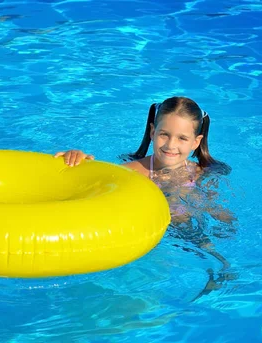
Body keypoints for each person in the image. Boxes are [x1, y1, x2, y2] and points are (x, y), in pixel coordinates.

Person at [54, 96, 237, 301]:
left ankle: (215, 274)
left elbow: (216, 209)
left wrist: (226, 224)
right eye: (164, 135)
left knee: (212, 253)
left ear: (196, 142)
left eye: (182, 138)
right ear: (152, 132)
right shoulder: (130, 172)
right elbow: (89, 183)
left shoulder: (202, 174)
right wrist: (77, 159)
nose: (170, 145)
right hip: (147, 232)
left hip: (186, 229)